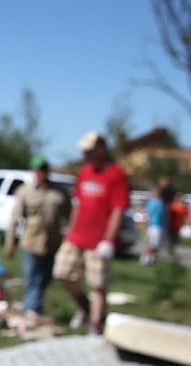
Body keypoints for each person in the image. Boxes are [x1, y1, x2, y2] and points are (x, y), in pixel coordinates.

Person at [53, 131, 130, 335]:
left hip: (98, 240)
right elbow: (78, 203)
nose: (84, 155)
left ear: (101, 149)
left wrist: (109, 240)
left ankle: (96, 325)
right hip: (76, 236)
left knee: (97, 284)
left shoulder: (116, 175)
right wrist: (70, 229)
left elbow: (118, 209)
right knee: (62, 272)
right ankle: (84, 306)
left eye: (88, 151)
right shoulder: (84, 172)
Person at [5, 154, 68, 316]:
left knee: (45, 278)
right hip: (31, 241)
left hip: (52, 242)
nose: (41, 172)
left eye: (44, 169)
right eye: (38, 169)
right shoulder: (25, 191)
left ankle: (32, 307)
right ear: (33, 171)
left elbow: (69, 216)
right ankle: (32, 310)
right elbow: (15, 218)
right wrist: (10, 241)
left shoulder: (59, 192)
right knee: (33, 277)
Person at [141, 183, 167, 265]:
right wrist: (145, 224)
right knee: (151, 243)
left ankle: (151, 259)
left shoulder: (161, 203)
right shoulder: (152, 203)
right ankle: (146, 259)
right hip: (153, 225)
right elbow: (147, 214)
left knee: (156, 244)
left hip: (159, 226)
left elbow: (163, 216)